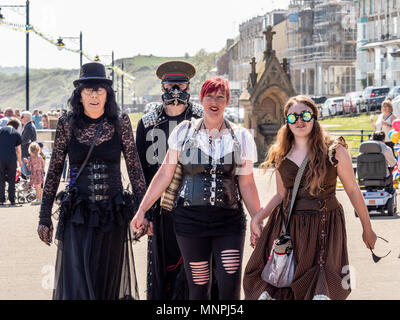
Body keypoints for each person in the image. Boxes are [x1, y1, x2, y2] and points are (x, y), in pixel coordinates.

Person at [132, 77, 261, 300]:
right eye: (209, 96)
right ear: (201, 99)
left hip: (228, 220)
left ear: (227, 101)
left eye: (220, 97)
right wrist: (142, 209)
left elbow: (247, 183)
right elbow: (165, 173)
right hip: (190, 221)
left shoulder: (240, 137)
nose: (215, 101)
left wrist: (257, 220)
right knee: (199, 289)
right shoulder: (185, 132)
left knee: (229, 288)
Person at [243, 95, 377, 300]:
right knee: (278, 284)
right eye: (292, 117)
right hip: (290, 227)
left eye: (305, 115)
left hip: (324, 226)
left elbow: (352, 190)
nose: (299, 121)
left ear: (314, 117)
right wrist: (258, 217)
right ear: (286, 121)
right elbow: (281, 194)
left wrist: (367, 229)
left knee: (321, 288)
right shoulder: (281, 153)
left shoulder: (335, 151)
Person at [37, 62, 146, 300]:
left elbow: (135, 167)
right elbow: (54, 170)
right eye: (88, 90)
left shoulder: (121, 122)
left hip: (112, 214)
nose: (94, 95)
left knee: (106, 279)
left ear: (108, 94)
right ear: (80, 95)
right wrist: (44, 216)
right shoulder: (67, 124)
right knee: (78, 280)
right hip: (78, 214)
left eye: (99, 90)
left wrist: (143, 211)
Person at [135, 61, 204, 300]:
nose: (176, 89)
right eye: (170, 84)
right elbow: (141, 173)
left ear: (189, 86)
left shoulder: (202, 119)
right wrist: (145, 212)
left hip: (197, 206)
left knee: (198, 266)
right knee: (162, 267)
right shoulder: (147, 122)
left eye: (181, 84)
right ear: (162, 87)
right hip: (161, 210)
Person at [0, 118, 22, 205]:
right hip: (11, 159)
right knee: (12, 179)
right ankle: (12, 199)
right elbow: (18, 150)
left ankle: (1, 199)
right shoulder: (16, 133)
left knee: (1, 178)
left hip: (0, 158)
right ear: (16, 127)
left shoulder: (1, 130)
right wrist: (19, 161)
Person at [20, 111, 37, 178]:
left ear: (26, 118)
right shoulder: (29, 125)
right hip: (27, 150)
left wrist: (17, 142)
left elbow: (25, 140)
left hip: (26, 151)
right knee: (27, 170)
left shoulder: (29, 126)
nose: (20, 119)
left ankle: (29, 185)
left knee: (27, 171)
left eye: (22, 117)